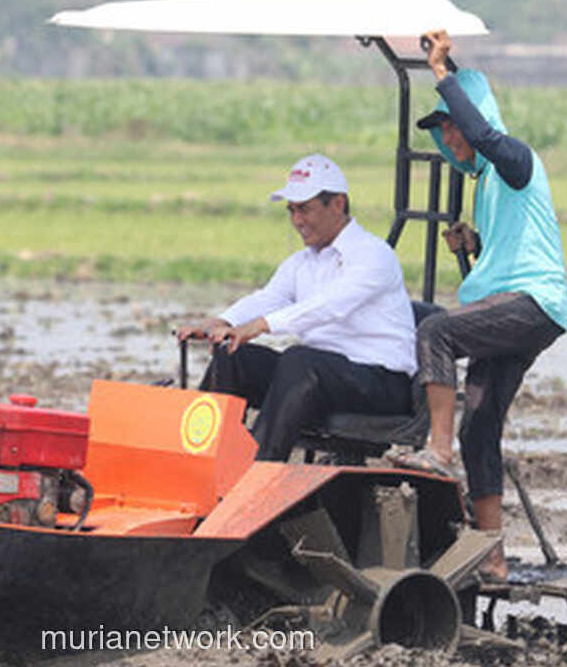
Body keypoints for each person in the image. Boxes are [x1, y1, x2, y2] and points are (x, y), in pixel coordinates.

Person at [391, 30, 567, 580]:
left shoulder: (514, 159)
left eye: (450, 124)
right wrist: (475, 249)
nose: (449, 135)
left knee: (437, 333)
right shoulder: (489, 186)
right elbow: (509, 259)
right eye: (442, 129)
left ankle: (436, 451)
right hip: (520, 307)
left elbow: (485, 134)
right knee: (481, 425)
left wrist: (443, 72)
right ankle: (492, 556)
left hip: (531, 303)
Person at [176, 154, 417, 462]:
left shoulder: (373, 255)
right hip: (323, 376)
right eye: (291, 210)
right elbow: (269, 296)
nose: (296, 221)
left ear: (338, 204)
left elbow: (327, 306)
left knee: (299, 361)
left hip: (380, 381)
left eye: (305, 209)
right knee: (232, 357)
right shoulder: (303, 262)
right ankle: (203, 460)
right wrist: (219, 322)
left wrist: (259, 326)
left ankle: (254, 470)